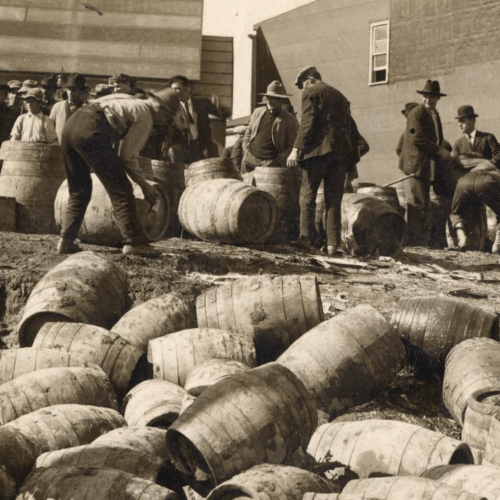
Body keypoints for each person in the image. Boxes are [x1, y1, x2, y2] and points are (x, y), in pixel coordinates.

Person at [57, 89, 180, 256]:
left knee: (79, 190)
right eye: (168, 116)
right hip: (91, 132)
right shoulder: (145, 116)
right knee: (121, 190)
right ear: (160, 108)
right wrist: (143, 185)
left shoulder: (126, 99)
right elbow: (126, 156)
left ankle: (65, 241)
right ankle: (133, 242)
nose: (166, 120)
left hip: (70, 128)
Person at [287, 65, 359, 256]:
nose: (303, 90)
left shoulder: (312, 91)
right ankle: (332, 245)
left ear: (310, 79)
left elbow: (307, 121)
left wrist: (296, 149)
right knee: (334, 199)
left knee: (307, 195)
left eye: (303, 85)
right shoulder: (341, 96)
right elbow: (351, 128)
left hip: (318, 154)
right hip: (341, 156)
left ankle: (305, 239)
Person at [398, 80, 451, 246]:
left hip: (426, 168)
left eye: (433, 96)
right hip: (415, 167)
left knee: (424, 206)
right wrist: (439, 151)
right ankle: (413, 245)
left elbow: (437, 138)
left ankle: (420, 244)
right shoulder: (417, 113)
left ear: (438, 98)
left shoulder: (435, 115)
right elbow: (417, 138)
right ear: (423, 97)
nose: (429, 99)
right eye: (426, 96)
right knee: (416, 206)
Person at [167, 75, 230, 164]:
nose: (174, 92)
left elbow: (224, 114)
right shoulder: (173, 108)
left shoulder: (201, 102)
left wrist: (219, 108)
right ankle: (180, 175)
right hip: (185, 148)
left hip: (202, 147)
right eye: (172, 89)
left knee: (220, 154)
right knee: (173, 150)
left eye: (177, 88)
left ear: (187, 88)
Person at [241, 81, 298, 173]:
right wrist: (246, 147)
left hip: (269, 165)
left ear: (281, 100)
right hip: (249, 160)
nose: (270, 101)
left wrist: (276, 161)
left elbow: (292, 145)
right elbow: (249, 131)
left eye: (274, 98)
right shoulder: (258, 112)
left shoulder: (289, 119)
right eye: (268, 97)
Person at [450, 160, 500, 252]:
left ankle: (462, 237)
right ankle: (497, 244)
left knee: (455, 213)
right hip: (485, 182)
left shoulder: (474, 163)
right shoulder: (495, 170)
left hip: (464, 182)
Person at [50, 73, 89, 143]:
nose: (70, 93)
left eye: (74, 90)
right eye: (69, 89)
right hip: (58, 148)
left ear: (80, 91)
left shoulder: (86, 109)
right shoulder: (57, 107)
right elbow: (50, 129)